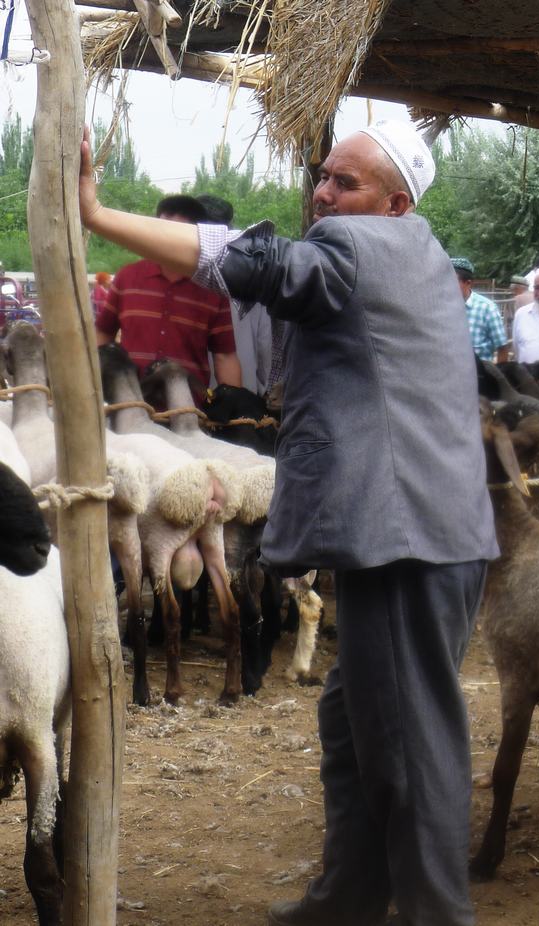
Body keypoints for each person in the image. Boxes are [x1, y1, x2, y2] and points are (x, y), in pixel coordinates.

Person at [78, 120, 497, 926]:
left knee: (408, 745)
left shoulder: (361, 248)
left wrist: (98, 216)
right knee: (353, 723)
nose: (324, 194)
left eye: (348, 184)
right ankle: (347, 896)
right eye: (325, 177)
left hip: (406, 538)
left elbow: (258, 263)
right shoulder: (417, 253)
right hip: (422, 531)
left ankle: (438, 915)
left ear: (395, 202)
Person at [95, 193, 242, 402]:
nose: (166, 240)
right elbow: (102, 333)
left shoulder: (212, 289)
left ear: (196, 237)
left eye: (175, 233)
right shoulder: (127, 278)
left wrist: (235, 406)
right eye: (161, 231)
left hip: (189, 415)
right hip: (128, 411)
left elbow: (225, 356)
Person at [197, 194, 276, 396]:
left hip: (193, 398)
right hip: (244, 396)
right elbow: (264, 341)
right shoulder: (253, 270)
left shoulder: (185, 273)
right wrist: (261, 386)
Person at [452, 257, 509, 363]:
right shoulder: (442, 308)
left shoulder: (487, 309)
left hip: (479, 376)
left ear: (468, 283)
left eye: (453, 282)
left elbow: (503, 349)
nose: (447, 287)